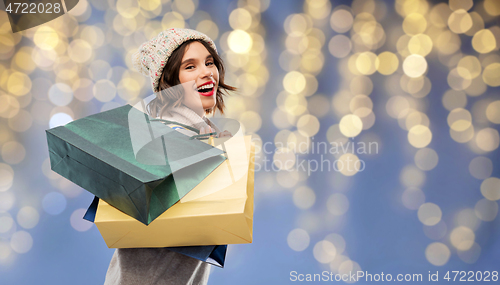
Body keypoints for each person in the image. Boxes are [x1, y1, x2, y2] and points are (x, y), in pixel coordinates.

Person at [103, 28, 236, 285]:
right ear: (170, 82)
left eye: (209, 62)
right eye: (190, 67)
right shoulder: (164, 133)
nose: (206, 71)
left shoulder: (203, 134)